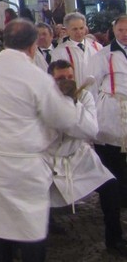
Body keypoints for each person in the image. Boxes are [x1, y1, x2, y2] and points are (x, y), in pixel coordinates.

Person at [0, 19, 82, 261]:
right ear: (33, 46)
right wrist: (68, 98)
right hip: (22, 167)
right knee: (29, 231)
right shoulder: (37, 77)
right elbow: (63, 118)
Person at [46, 60, 127, 256]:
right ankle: (26, 239)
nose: (66, 81)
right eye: (60, 79)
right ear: (50, 79)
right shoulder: (43, 99)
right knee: (32, 195)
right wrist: (64, 109)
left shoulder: (84, 97)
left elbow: (91, 130)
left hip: (78, 155)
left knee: (110, 186)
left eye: (69, 77)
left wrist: (73, 104)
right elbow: (49, 133)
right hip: (49, 158)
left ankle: (114, 239)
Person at [88, 14, 127, 207]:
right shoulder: (104, 55)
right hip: (112, 108)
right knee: (114, 154)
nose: (125, 34)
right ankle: (117, 196)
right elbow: (91, 85)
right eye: (120, 30)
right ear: (113, 31)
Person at [51, 12, 102, 86]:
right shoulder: (59, 52)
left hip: (96, 94)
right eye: (75, 29)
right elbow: (57, 78)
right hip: (73, 94)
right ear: (67, 30)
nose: (79, 32)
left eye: (81, 28)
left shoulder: (98, 47)